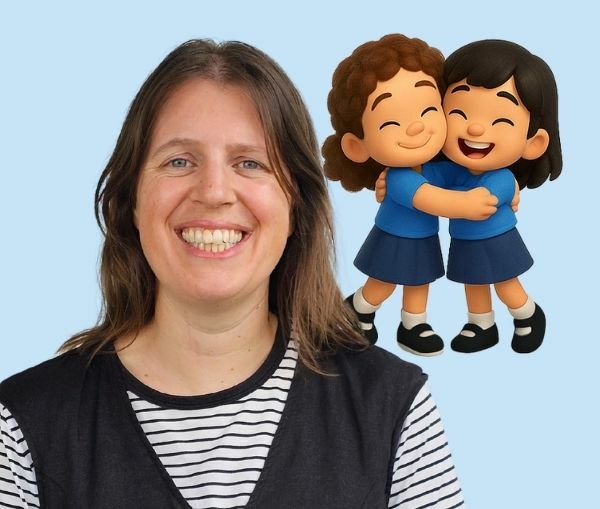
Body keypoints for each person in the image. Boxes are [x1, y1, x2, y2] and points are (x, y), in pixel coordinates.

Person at [0, 39, 464, 508]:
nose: (214, 191)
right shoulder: (20, 429)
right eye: (179, 161)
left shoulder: (394, 408)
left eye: (250, 163)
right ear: (132, 201)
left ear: (296, 207)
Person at [375, 39, 562, 354]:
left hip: (497, 240)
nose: (475, 128)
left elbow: (478, 200)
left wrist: (448, 199)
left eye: (500, 121)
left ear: (534, 143)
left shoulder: (502, 178)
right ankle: (481, 325)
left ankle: (527, 313)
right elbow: (427, 178)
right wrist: (395, 173)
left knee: (506, 283)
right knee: (473, 281)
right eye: (458, 112)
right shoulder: (452, 171)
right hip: (464, 239)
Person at [322, 34, 501, 356]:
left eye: (429, 109)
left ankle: (414, 324)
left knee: (420, 281)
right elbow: (430, 198)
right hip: (395, 237)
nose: (416, 128)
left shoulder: (432, 168)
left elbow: (466, 176)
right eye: (391, 122)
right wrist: (465, 204)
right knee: (383, 282)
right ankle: (360, 307)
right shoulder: (400, 177)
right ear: (357, 146)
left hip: (423, 236)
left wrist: (505, 188)